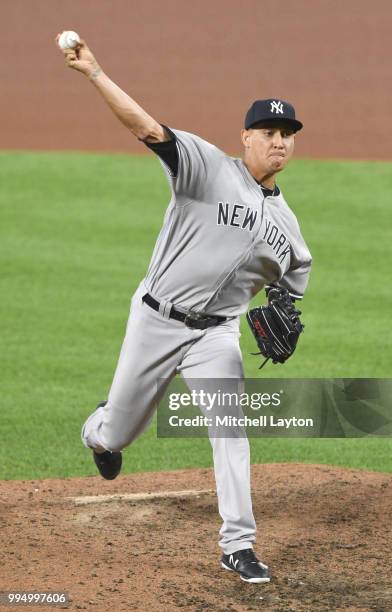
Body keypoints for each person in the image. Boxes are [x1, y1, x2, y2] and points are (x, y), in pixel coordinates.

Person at [56, 35, 312, 584]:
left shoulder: (288, 226)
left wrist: (285, 307)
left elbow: (293, 280)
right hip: (155, 319)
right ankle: (97, 430)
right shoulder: (205, 166)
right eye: (268, 133)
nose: (279, 142)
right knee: (117, 434)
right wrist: (96, 73)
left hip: (215, 337)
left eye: (287, 134)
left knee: (232, 432)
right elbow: (146, 127)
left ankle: (238, 544)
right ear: (246, 136)